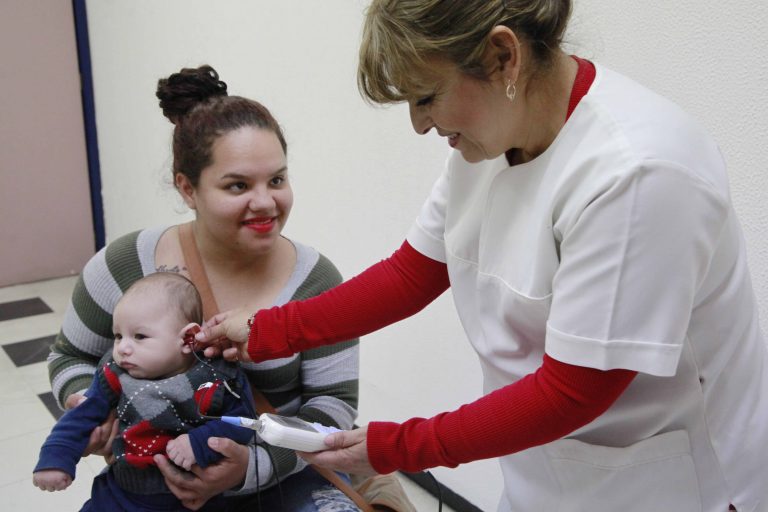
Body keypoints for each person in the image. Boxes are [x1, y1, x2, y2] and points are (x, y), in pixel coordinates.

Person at [194, 1, 768, 511]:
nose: (420, 124)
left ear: (502, 57)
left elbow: (574, 391)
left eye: (426, 96)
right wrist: (270, 330)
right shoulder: (492, 142)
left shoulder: (638, 172)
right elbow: (410, 274)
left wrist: (398, 446)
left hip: (671, 483)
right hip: (547, 468)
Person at [46, 65, 362, 511]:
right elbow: (69, 356)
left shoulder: (316, 281)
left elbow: (334, 407)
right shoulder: (123, 265)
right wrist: (89, 404)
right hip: (149, 487)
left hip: (284, 480)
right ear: (187, 188)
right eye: (238, 185)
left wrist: (252, 466)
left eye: (277, 179)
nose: (266, 202)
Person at [34, 272, 255, 510]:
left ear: (187, 338)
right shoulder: (115, 374)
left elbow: (244, 422)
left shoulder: (216, 377)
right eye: (119, 336)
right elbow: (82, 415)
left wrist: (199, 443)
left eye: (140, 336)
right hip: (122, 491)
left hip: (194, 497)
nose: (123, 348)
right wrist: (56, 455)